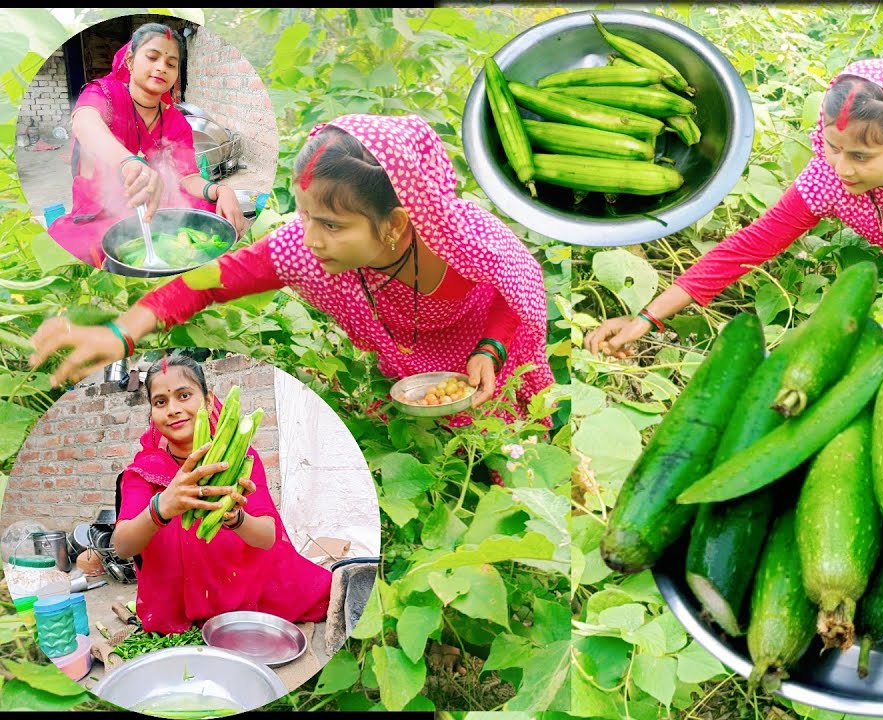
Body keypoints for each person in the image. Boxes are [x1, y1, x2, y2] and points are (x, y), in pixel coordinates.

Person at [30, 114, 555, 423]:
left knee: (508, 441)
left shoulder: (465, 242)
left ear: (394, 224)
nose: (310, 240)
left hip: (492, 353)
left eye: (330, 225)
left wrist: (493, 347)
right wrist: (124, 331)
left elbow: (520, 295)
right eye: (303, 216)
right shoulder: (306, 251)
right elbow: (207, 283)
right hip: (415, 365)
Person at [586, 54, 883, 358]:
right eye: (834, 147)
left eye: (861, 156)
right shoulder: (830, 178)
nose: (841, 167)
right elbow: (745, 248)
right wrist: (646, 318)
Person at [111, 354, 331, 634]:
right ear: (151, 412)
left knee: (320, 592)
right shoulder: (143, 471)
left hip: (244, 591)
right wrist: (161, 507)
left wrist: (235, 518)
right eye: (160, 402)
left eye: (184, 395)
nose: (173, 409)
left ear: (207, 399)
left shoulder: (239, 458)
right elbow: (122, 546)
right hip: (174, 603)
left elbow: (267, 537)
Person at [47, 22, 246, 268]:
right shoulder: (104, 94)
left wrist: (221, 191)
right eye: (152, 57)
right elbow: (85, 122)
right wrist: (128, 162)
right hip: (103, 213)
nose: (161, 67)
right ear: (130, 61)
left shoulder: (175, 121)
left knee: (214, 215)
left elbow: (187, 178)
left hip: (159, 207)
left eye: (171, 64)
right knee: (72, 248)